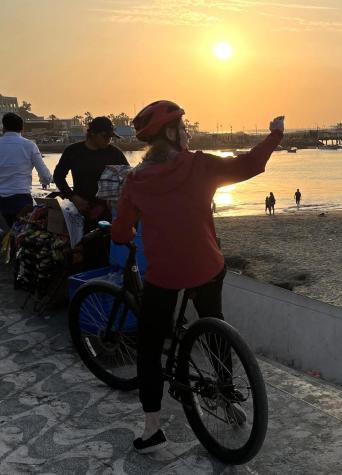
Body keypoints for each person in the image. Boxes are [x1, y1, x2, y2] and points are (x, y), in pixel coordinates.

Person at [111, 100, 284, 453]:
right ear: (172, 134)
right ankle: (226, 392)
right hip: (207, 265)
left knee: (149, 346)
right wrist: (275, 134)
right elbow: (250, 164)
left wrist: (124, 235)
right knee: (213, 322)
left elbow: (121, 231)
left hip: (164, 274)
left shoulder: (135, 180)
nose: (189, 133)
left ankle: (152, 427)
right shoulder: (201, 165)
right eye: (184, 128)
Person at [54, 117, 129, 225]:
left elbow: (128, 179)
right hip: (78, 209)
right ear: (93, 133)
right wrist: (73, 197)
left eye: (110, 137)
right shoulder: (73, 151)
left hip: (105, 212)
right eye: (105, 136)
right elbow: (58, 176)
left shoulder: (115, 153)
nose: (108, 140)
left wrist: (113, 201)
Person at [0, 113, 52, 227]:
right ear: (22, 128)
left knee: (12, 229)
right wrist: (48, 180)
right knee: (25, 233)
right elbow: (44, 174)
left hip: (0, 199)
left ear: (4, 127)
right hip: (21, 198)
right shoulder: (29, 145)